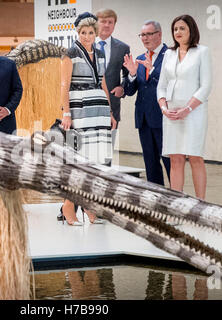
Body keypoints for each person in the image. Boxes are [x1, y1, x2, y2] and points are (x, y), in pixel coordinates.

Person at [60, 12, 116, 226]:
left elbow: (103, 84)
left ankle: (89, 205)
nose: (87, 36)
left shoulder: (101, 53)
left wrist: (109, 112)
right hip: (79, 110)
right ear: (78, 32)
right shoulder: (70, 52)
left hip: (99, 110)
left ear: (96, 33)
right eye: (83, 32)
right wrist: (66, 113)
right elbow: (64, 85)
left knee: (96, 161)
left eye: (90, 32)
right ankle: (68, 205)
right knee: (78, 161)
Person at [156, 15, 212, 199]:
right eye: (175, 29)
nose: (178, 32)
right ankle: (176, 206)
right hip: (171, 113)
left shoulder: (202, 52)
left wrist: (187, 109)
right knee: (175, 158)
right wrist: (164, 109)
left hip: (193, 112)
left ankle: (201, 204)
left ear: (191, 30)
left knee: (195, 157)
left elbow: (206, 86)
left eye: (182, 28)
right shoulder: (168, 54)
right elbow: (161, 86)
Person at [123, 20, 171, 186]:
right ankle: (157, 201)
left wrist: (152, 70)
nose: (144, 38)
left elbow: (170, 85)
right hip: (144, 119)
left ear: (159, 34)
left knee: (170, 162)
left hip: (163, 117)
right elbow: (130, 91)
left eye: (148, 34)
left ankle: (176, 200)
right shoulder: (140, 58)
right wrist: (132, 74)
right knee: (151, 164)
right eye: (142, 35)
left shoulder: (170, 55)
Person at [95, 8, 130, 144]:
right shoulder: (85, 46)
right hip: (87, 107)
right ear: (96, 23)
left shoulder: (123, 48)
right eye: (103, 21)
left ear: (114, 25)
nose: (107, 25)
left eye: (110, 22)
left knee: (107, 153)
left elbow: (127, 76)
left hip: (112, 107)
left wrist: (122, 88)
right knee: (85, 155)